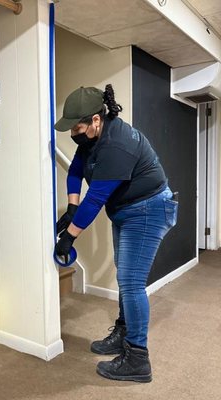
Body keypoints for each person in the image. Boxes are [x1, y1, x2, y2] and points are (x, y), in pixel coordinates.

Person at [54, 85, 178, 383]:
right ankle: (124, 333)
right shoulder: (93, 139)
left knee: (131, 283)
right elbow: (74, 171)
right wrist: (71, 208)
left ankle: (138, 359)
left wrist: (69, 236)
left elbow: (95, 199)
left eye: (77, 127)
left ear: (96, 120)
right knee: (126, 277)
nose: (73, 133)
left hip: (148, 210)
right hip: (126, 210)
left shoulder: (117, 145)